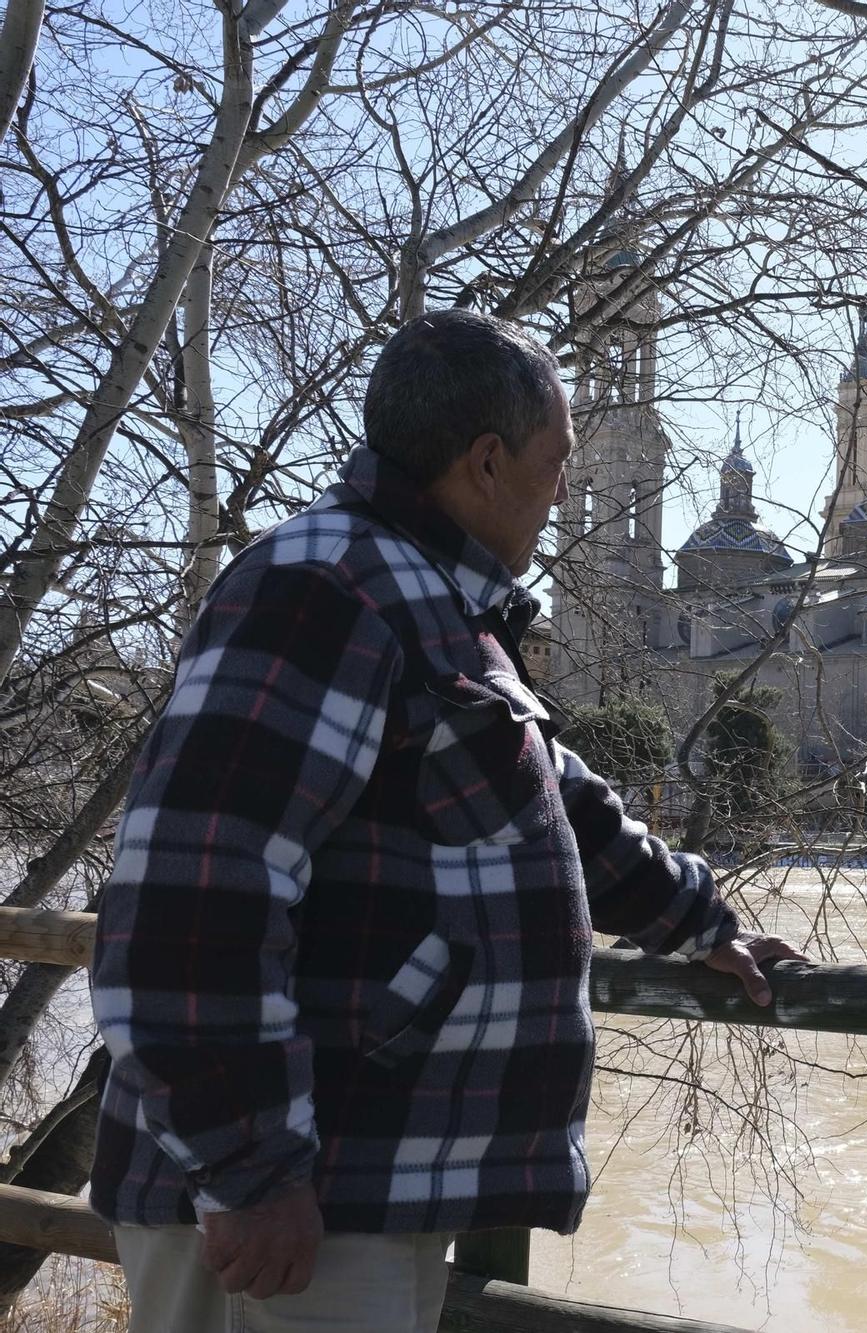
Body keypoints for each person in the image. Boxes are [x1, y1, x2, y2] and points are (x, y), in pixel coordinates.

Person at [89, 308, 804, 1333]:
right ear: (483, 463)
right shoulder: (325, 590)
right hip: (288, 1204)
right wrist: (247, 1169)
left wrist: (696, 920)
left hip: (358, 1182)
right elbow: (191, 892)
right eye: (556, 460)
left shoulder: (429, 605)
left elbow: (547, 802)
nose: (566, 488)